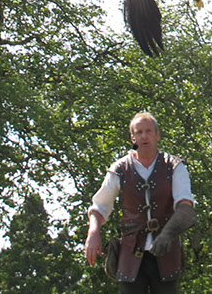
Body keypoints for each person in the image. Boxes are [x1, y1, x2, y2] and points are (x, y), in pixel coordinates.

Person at [85, 112, 196, 294]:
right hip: (131, 256)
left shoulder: (175, 166)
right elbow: (99, 207)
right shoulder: (119, 169)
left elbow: (186, 209)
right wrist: (93, 232)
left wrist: (167, 234)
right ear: (133, 137)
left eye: (148, 131)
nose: (144, 136)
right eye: (139, 132)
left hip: (166, 255)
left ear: (157, 135)